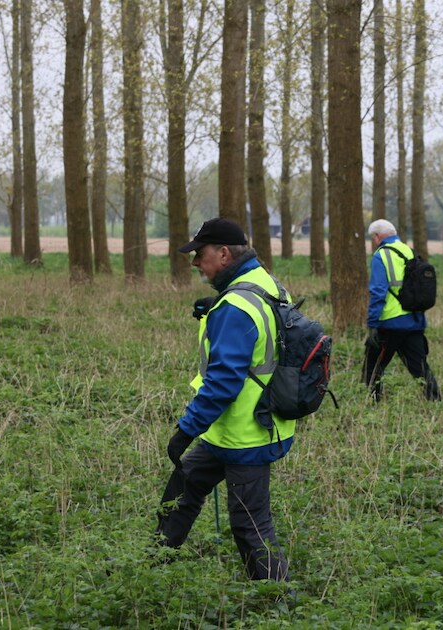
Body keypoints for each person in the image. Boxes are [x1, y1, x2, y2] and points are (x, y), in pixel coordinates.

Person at [156, 217, 292, 581]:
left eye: (199, 255)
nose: (195, 263)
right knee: (183, 487)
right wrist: (216, 308)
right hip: (233, 429)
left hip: (246, 434)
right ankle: (151, 566)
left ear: (224, 253)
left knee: (250, 526)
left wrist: (186, 430)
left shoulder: (235, 306)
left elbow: (223, 382)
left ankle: (277, 601)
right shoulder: (266, 284)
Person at [362, 219, 441, 402]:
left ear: (377, 236)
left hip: (389, 323)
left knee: (373, 366)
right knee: (420, 368)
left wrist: (372, 323)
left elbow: (378, 292)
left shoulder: (381, 255)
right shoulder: (410, 251)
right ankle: (435, 401)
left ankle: (374, 403)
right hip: (414, 321)